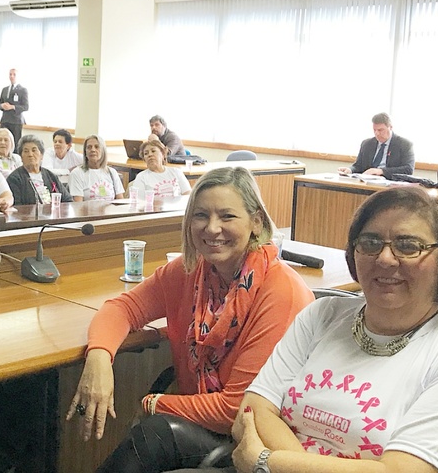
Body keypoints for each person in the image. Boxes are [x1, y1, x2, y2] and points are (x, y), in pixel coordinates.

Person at [67, 167, 314, 472]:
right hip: (202, 419)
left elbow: (237, 409)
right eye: (200, 216)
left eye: (227, 216)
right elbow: (123, 308)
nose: (212, 228)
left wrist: (153, 403)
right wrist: (99, 360)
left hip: (256, 441)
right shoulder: (191, 271)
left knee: (155, 434)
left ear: (256, 222)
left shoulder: (281, 292)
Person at [231, 186, 438, 473]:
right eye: (370, 242)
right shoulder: (321, 315)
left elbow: (400, 471)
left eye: (408, 246)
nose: (384, 259)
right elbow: (251, 412)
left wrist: (267, 462)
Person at [337, 112, 414, 178]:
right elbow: (358, 166)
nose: (377, 133)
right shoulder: (367, 144)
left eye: (380, 130)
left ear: (390, 127)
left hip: (390, 185)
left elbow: (408, 169)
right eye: (374, 130)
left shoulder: (404, 144)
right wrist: (350, 170)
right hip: (366, 183)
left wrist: (381, 171)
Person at [6, 135, 72, 205]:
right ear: (21, 157)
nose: (30, 154)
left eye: (34, 150)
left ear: (41, 155)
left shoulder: (51, 176)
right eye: (26, 151)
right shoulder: (14, 179)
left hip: (54, 215)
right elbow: (17, 207)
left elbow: (68, 200)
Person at [69, 135, 124, 201]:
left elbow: (120, 202)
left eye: (97, 147)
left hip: (110, 210)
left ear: (103, 151)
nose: (93, 150)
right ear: (85, 152)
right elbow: (78, 205)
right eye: (89, 147)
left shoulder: (112, 172)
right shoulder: (77, 173)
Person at [0, 68, 29, 144]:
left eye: (14, 74)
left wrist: (13, 107)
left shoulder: (23, 90)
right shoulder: (4, 90)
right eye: (10, 74)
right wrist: (2, 106)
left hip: (16, 121)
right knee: (3, 142)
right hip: (5, 120)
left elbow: (26, 106)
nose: (12, 76)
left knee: (15, 143)